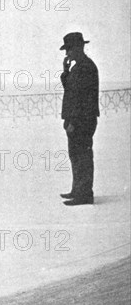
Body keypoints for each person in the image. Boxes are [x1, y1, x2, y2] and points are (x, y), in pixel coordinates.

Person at [59, 32, 100, 206]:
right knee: (76, 155)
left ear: (78, 48)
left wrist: (73, 122)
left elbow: (82, 99)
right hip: (77, 120)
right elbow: (71, 90)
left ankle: (84, 194)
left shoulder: (86, 68)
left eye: (69, 49)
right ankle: (78, 191)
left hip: (82, 120)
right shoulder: (79, 67)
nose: (67, 53)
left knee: (82, 156)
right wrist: (65, 72)